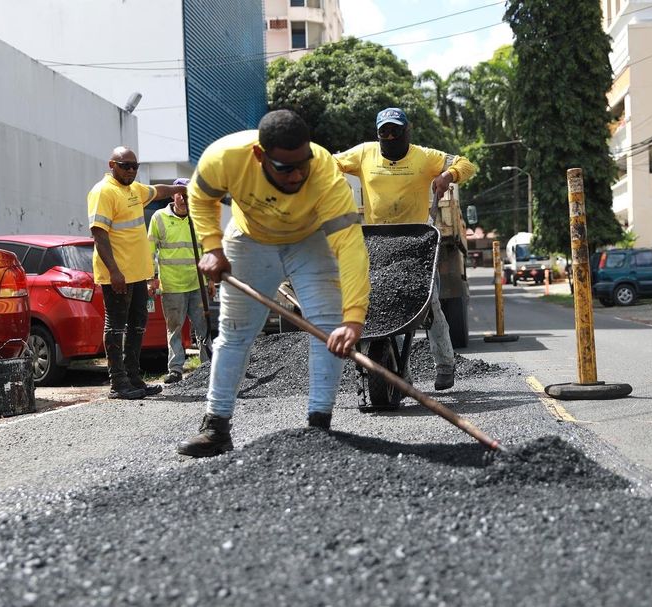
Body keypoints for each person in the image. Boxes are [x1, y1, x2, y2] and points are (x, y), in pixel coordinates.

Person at [177, 109, 370, 458]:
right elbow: (200, 196)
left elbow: (350, 245)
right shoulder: (225, 157)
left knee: (326, 329)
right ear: (259, 156)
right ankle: (216, 427)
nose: (297, 175)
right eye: (285, 168)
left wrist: (353, 318)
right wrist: (212, 247)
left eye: (303, 164)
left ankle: (319, 429)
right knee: (234, 333)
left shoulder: (325, 172)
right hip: (250, 241)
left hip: (308, 241)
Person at [334, 107, 476, 390]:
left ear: (406, 131)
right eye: (384, 131)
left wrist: (449, 175)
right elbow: (329, 163)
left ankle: (445, 364)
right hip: (379, 242)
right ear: (378, 134)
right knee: (386, 308)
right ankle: (400, 373)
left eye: (395, 130)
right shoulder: (364, 153)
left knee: (430, 304)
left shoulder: (423, 157)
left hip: (417, 241)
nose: (390, 135)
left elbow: (466, 164)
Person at [88, 147, 187, 399]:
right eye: (125, 165)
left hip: (138, 274)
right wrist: (114, 272)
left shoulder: (133, 190)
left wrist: (179, 190)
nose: (131, 170)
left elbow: (159, 191)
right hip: (118, 275)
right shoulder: (104, 191)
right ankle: (118, 383)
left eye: (135, 166)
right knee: (116, 327)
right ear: (112, 164)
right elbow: (99, 234)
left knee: (137, 326)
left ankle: (133, 378)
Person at [147, 178, 214, 384]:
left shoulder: (198, 218)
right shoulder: (159, 218)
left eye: (187, 194)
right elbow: (150, 251)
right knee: (174, 328)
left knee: (203, 326)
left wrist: (210, 280)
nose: (184, 198)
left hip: (197, 284)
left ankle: (207, 366)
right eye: (180, 193)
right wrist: (151, 278)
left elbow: (208, 250)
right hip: (173, 285)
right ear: (172, 195)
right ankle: (176, 369)